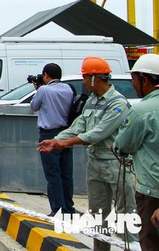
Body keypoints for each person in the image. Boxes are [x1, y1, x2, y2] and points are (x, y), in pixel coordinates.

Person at [38, 56, 137, 250]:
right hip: (96, 164)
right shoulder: (91, 101)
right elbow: (79, 125)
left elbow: (98, 133)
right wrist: (56, 140)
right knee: (98, 215)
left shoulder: (118, 103)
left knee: (125, 215)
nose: (83, 81)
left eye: (85, 77)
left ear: (94, 78)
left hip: (116, 165)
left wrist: (64, 143)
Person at [114, 53, 159, 250]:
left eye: (133, 78)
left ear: (145, 79)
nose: (132, 83)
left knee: (150, 242)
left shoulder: (141, 111)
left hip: (151, 193)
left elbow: (123, 144)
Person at [30, 63, 77, 216]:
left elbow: (33, 106)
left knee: (52, 173)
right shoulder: (68, 88)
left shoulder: (43, 90)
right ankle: (68, 208)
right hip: (66, 134)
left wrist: (37, 89)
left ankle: (57, 209)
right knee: (66, 173)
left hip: (48, 135)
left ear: (46, 75)